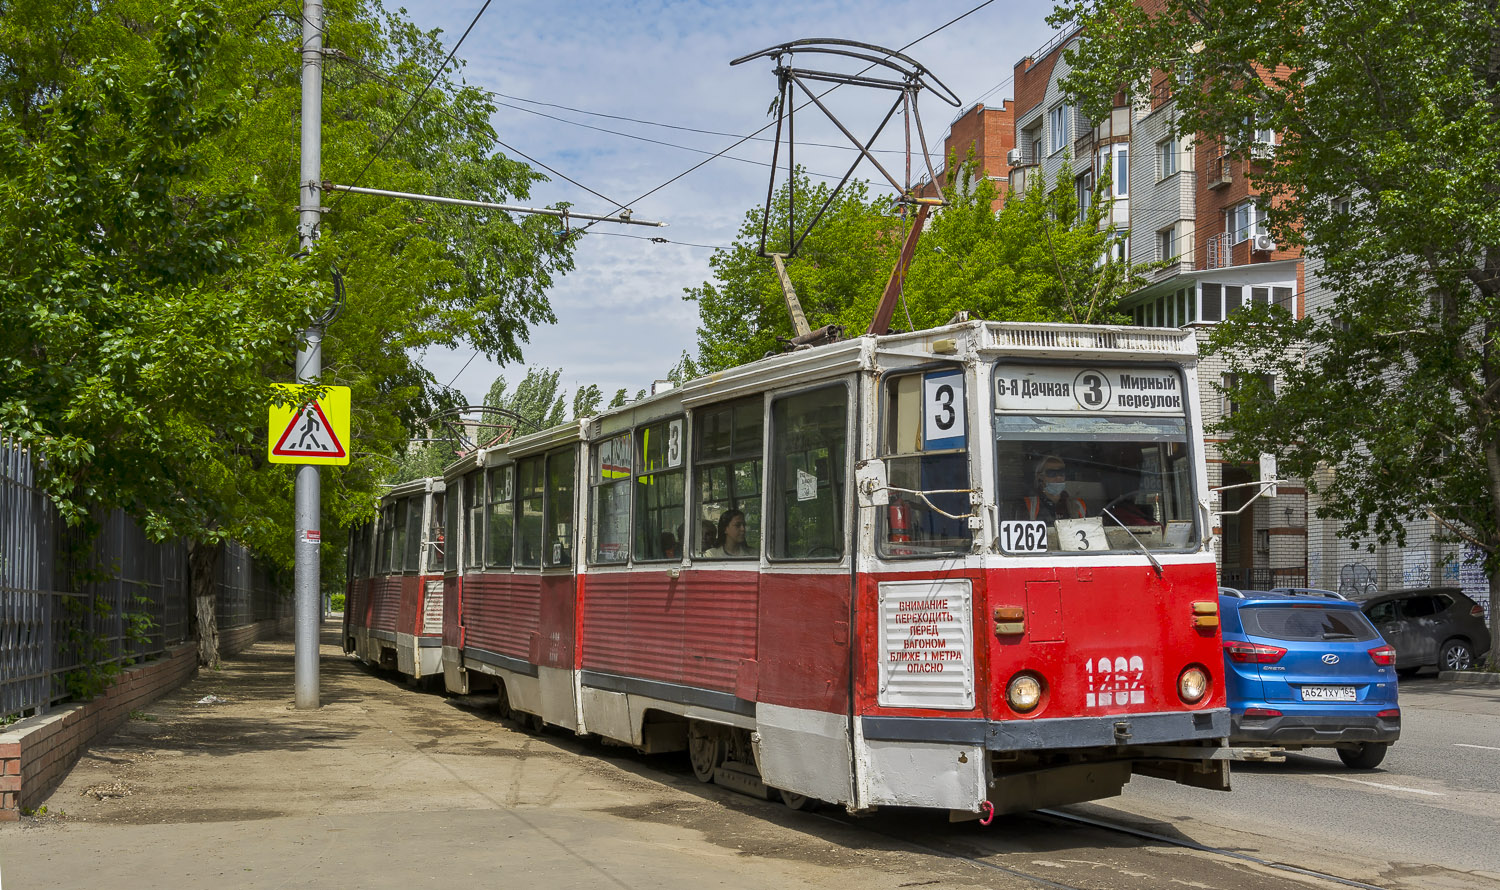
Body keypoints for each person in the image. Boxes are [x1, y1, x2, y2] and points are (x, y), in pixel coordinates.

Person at [1012, 455, 1087, 523]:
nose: (1058, 477)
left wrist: (1074, 515)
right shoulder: (1028, 504)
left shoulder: (1078, 504)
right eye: (1052, 473)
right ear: (1040, 476)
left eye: (1061, 472)